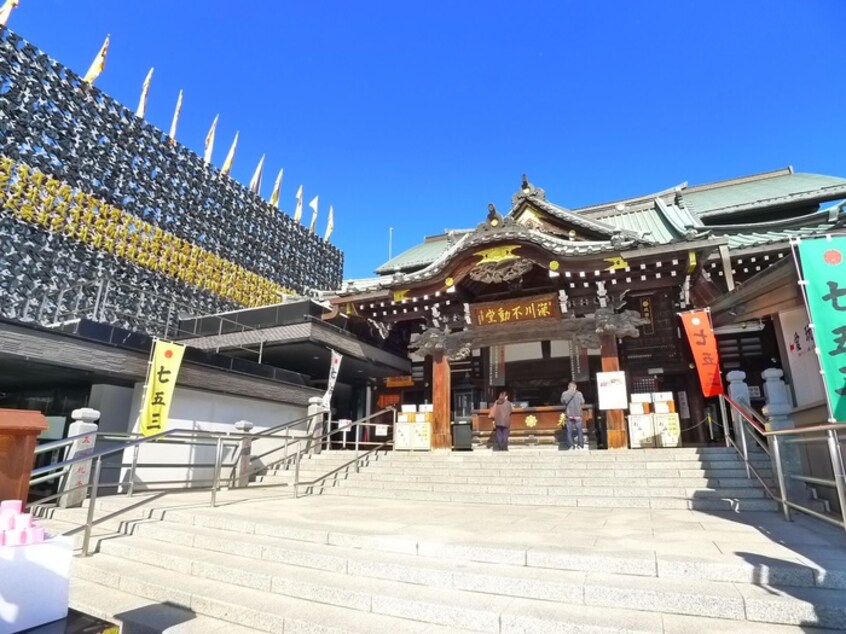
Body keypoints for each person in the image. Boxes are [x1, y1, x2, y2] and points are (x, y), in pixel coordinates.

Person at [561, 381, 586, 450]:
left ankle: (571, 445)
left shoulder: (564, 393)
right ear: (575, 387)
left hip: (569, 414)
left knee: (569, 431)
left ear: (568, 387)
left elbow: (562, 402)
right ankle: (580, 445)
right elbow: (582, 402)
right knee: (579, 430)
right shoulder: (579, 393)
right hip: (578, 414)